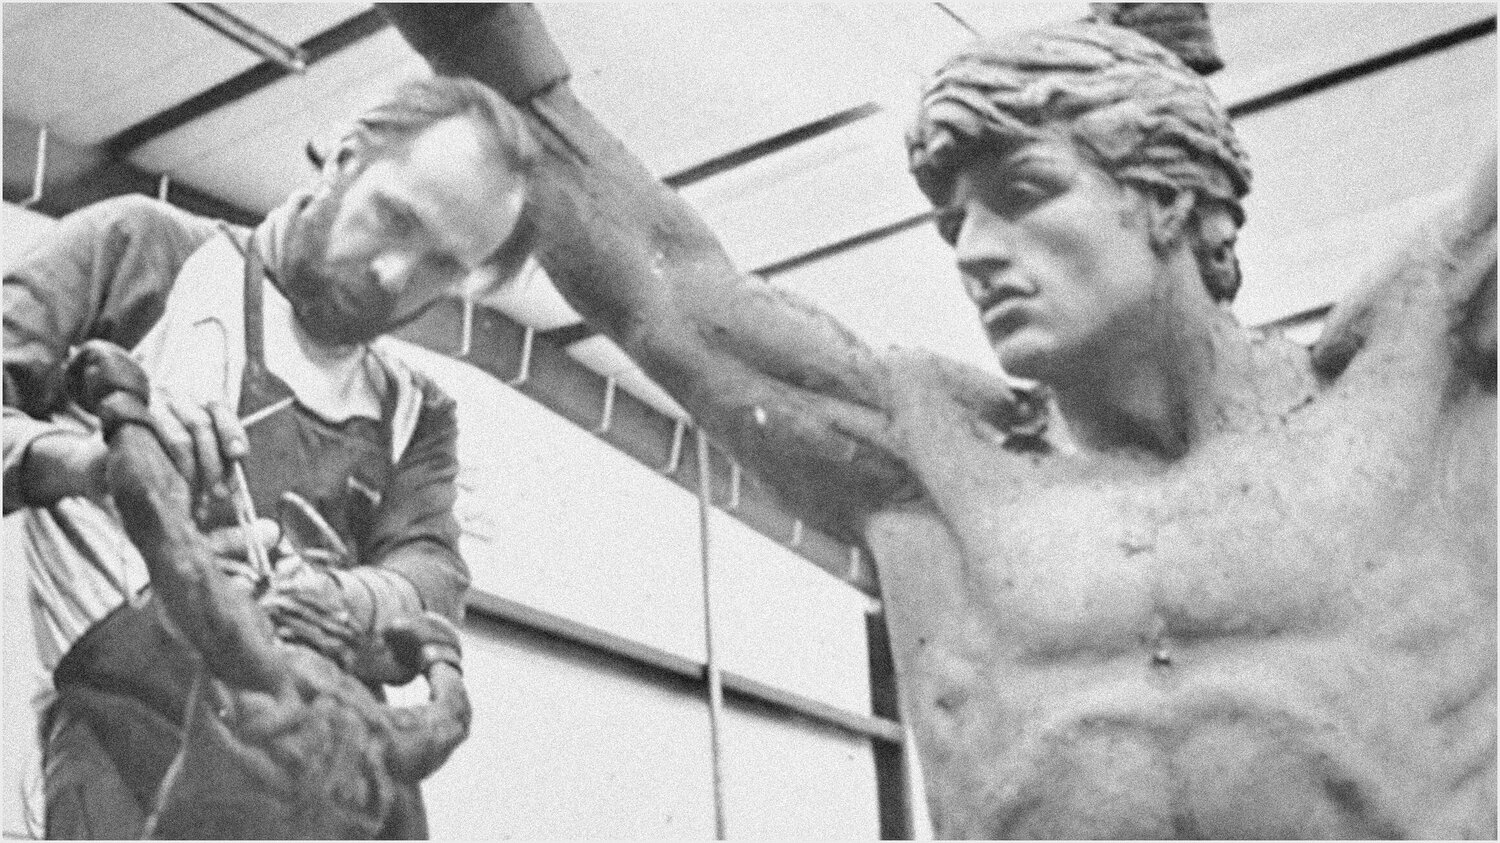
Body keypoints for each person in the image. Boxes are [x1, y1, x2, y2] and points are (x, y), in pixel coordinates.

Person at [385, 3, 1497, 839]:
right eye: (951, 219)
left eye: (1021, 193)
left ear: (1167, 194)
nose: (969, 251)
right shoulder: (930, 460)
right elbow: (660, 286)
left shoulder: (1417, 375)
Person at [3, 75, 528, 837]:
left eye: (442, 265)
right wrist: (92, 462)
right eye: (393, 219)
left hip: (323, 774)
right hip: (131, 755)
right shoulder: (141, 251)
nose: (393, 274)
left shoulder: (415, 410)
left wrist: (336, 601)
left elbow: (433, 578)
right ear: (343, 157)